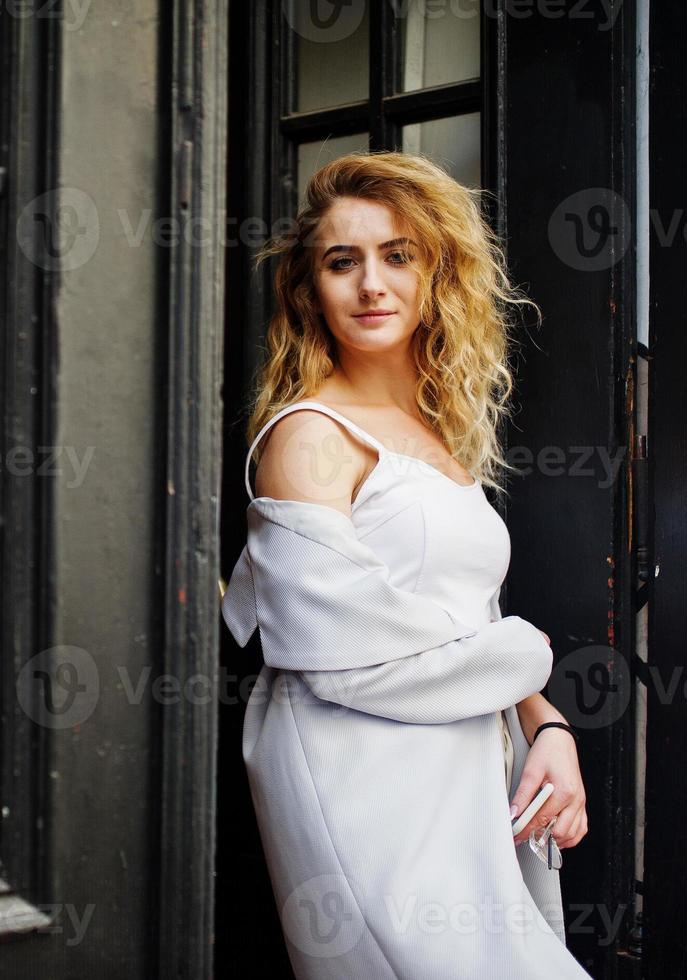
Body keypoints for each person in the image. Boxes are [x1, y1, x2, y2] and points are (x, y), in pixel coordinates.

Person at [222, 151, 590, 978]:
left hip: (460, 761)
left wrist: (545, 724)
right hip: (356, 767)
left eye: (397, 255)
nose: (370, 284)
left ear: (436, 273)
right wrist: (527, 659)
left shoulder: (433, 433)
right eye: (340, 261)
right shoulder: (309, 435)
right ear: (307, 288)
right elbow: (337, 647)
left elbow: (465, 618)